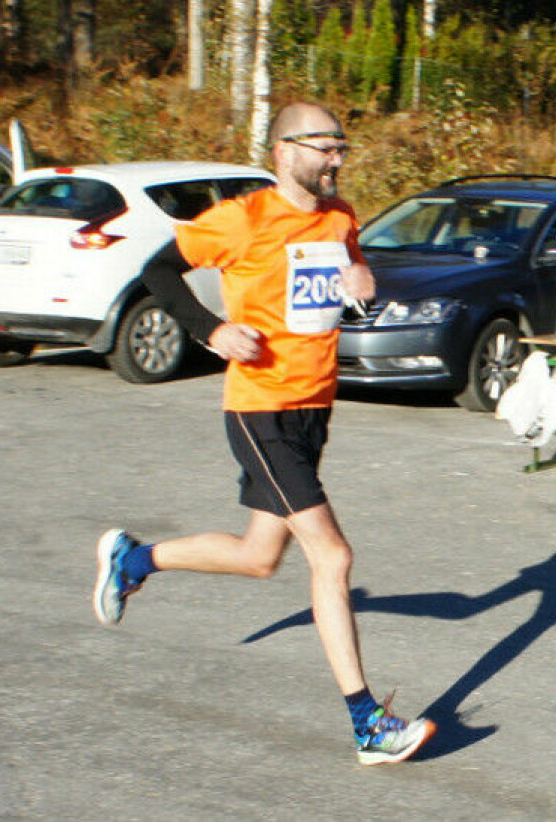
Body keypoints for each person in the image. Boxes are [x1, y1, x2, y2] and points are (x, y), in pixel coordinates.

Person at [92, 102, 436, 766]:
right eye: (325, 148)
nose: (337, 160)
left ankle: (133, 560)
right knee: (332, 558)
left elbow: (351, 279)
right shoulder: (240, 219)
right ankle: (367, 724)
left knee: (259, 557)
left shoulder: (341, 218)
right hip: (260, 411)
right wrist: (211, 330)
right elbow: (158, 273)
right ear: (284, 151)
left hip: (313, 411)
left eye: (343, 148)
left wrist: (363, 284)